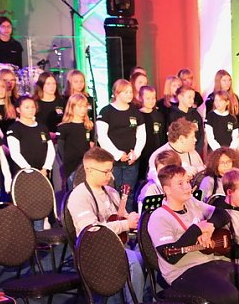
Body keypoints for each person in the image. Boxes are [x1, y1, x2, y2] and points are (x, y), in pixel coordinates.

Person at [147, 164, 239, 304]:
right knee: (229, 296)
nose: (187, 187)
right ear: (167, 190)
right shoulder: (158, 217)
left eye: (187, 182)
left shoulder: (192, 204)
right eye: (180, 184)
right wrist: (198, 229)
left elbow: (223, 213)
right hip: (182, 272)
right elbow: (171, 254)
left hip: (208, 261)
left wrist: (211, 226)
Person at [67, 147, 145, 304]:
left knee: (147, 248)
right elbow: (92, 230)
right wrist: (125, 224)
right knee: (135, 260)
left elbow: (120, 216)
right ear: (89, 170)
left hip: (117, 243)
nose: (110, 176)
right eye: (106, 172)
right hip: (95, 250)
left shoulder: (111, 192)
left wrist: (131, 217)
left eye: (111, 171)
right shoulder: (79, 196)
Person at [96, 79, 144, 212]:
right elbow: (102, 136)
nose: (129, 94)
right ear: (117, 93)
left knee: (128, 192)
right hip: (112, 162)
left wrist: (135, 153)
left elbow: (141, 135)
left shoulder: (135, 112)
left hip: (131, 161)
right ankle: (114, 220)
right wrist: (117, 154)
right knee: (113, 192)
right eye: (126, 92)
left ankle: (127, 221)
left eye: (130, 92)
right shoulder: (106, 112)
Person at [6, 96, 54, 178]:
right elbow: (15, 154)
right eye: (27, 107)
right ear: (18, 110)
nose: (31, 110)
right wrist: (29, 169)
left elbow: (50, 150)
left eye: (33, 107)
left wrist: (46, 168)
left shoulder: (42, 128)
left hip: (43, 173)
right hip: (24, 173)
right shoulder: (14, 129)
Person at [56, 93, 94, 187]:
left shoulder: (88, 126)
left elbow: (91, 145)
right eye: (79, 106)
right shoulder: (64, 127)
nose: (83, 109)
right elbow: (60, 148)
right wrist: (66, 162)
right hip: (71, 166)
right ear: (71, 107)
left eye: (85, 106)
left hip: (86, 164)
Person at [168, 86, 205, 158]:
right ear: (180, 97)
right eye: (189, 97)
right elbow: (172, 137)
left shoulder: (196, 114)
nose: (192, 100)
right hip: (179, 153)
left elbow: (201, 134)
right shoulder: (173, 116)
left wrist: (197, 150)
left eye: (193, 98)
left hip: (195, 152)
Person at [138, 85, 166, 180]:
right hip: (143, 153)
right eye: (148, 98)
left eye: (153, 98)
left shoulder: (159, 115)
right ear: (141, 98)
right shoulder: (138, 115)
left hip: (156, 151)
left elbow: (162, 134)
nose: (151, 101)